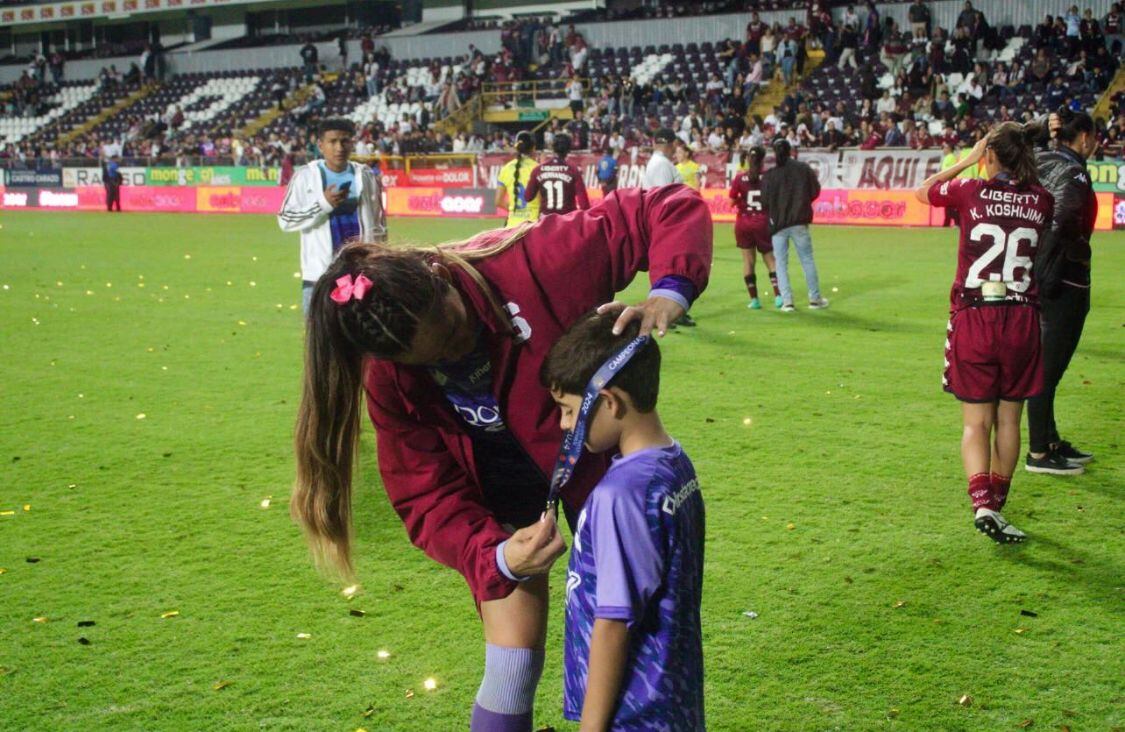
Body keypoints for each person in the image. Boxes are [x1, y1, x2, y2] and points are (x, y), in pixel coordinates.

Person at [291, 185, 712, 732]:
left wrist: (671, 289)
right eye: (436, 358)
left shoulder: (538, 260)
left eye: (454, 332)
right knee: (511, 661)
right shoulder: (391, 376)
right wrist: (496, 558)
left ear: (440, 278)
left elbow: (667, 205)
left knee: (638, 634)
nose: (457, 352)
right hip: (495, 493)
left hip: (595, 475)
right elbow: (424, 493)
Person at [541, 312, 704, 730]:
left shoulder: (622, 494)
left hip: (632, 714)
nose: (563, 425)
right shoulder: (674, 462)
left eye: (568, 410)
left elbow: (613, 623)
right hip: (671, 703)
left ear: (609, 401)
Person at [915, 122, 1053, 543]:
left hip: (975, 315)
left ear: (990, 154)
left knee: (977, 422)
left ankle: (982, 504)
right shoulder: (1042, 201)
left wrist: (969, 160)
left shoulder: (969, 192)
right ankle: (997, 502)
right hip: (1022, 319)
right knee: (1009, 417)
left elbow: (924, 192)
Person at [1026, 109, 1100, 475]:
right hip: (1063, 282)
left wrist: (1040, 128)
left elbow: (1016, 143)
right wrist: (1057, 269)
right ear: (1084, 136)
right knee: (1047, 368)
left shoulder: (1042, 159)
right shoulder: (1073, 173)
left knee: (1048, 367)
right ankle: (1039, 452)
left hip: (1044, 276)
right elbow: (1065, 220)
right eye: (1094, 137)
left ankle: (1050, 438)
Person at [277, 118, 387, 314]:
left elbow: (379, 226)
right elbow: (285, 219)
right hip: (320, 277)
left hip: (362, 275)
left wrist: (379, 261)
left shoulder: (366, 176)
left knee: (363, 340)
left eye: (345, 141)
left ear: (352, 143)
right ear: (321, 145)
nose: (339, 147)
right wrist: (323, 204)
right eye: (333, 141)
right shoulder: (305, 177)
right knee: (320, 342)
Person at [761, 138, 827, 312]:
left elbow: (764, 201)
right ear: (791, 151)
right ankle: (814, 299)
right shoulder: (803, 169)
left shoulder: (770, 175)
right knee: (807, 260)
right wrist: (803, 202)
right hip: (799, 221)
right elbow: (815, 190)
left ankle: (787, 301)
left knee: (781, 263)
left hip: (778, 225)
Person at [729, 146, 781, 310]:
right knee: (771, 260)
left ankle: (755, 300)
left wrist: (741, 202)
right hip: (763, 222)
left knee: (748, 261)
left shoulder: (739, 178)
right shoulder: (769, 177)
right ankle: (779, 296)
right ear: (763, 159)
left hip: (744, 223)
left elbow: (731, 202)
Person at [523, 132, 589, 217]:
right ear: (569, 149)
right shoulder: (573, 170)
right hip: (567, 220)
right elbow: (584, 204)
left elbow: (528, 197)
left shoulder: (538, 170)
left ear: (552, 148)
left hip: (545, 221)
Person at [495, 131, 540, 229]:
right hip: (532, 226)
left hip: (512, 227)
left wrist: (514, 209)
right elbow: (542, 199)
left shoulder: (506, 168)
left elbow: (498, 201)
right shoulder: (538, 168)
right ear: (533, 148)